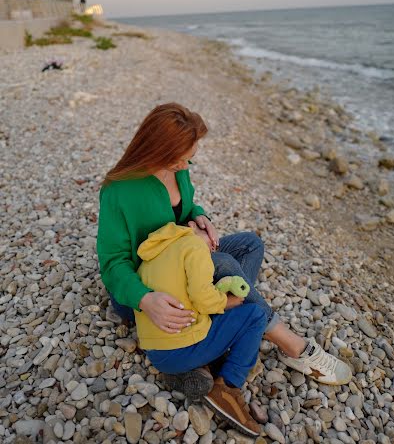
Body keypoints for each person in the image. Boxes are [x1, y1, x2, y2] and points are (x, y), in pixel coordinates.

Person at [96, 103, 352, 398]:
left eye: (188, 158)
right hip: (148, 289)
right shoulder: (118, 191)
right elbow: (113, 263)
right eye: (179, 160)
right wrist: (145, 299)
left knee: (250, 244)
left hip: (181, 259)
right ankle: (290, 344)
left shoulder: (178, 170)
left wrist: (199, 216)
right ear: (157, 150)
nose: (185, 166)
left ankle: (211, 326)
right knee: (225, 262)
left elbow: (183, 209)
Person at [134, 220, 265, 436]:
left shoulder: (151, 254)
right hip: (181, 349)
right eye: (212, 239)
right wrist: (226, 301)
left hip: (156, 353)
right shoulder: (194, 246)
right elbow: (202, 297)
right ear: (193, 225)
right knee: (254, 315)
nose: (214, 245)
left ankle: (192, 369)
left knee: (219, 320)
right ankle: (228, 387)